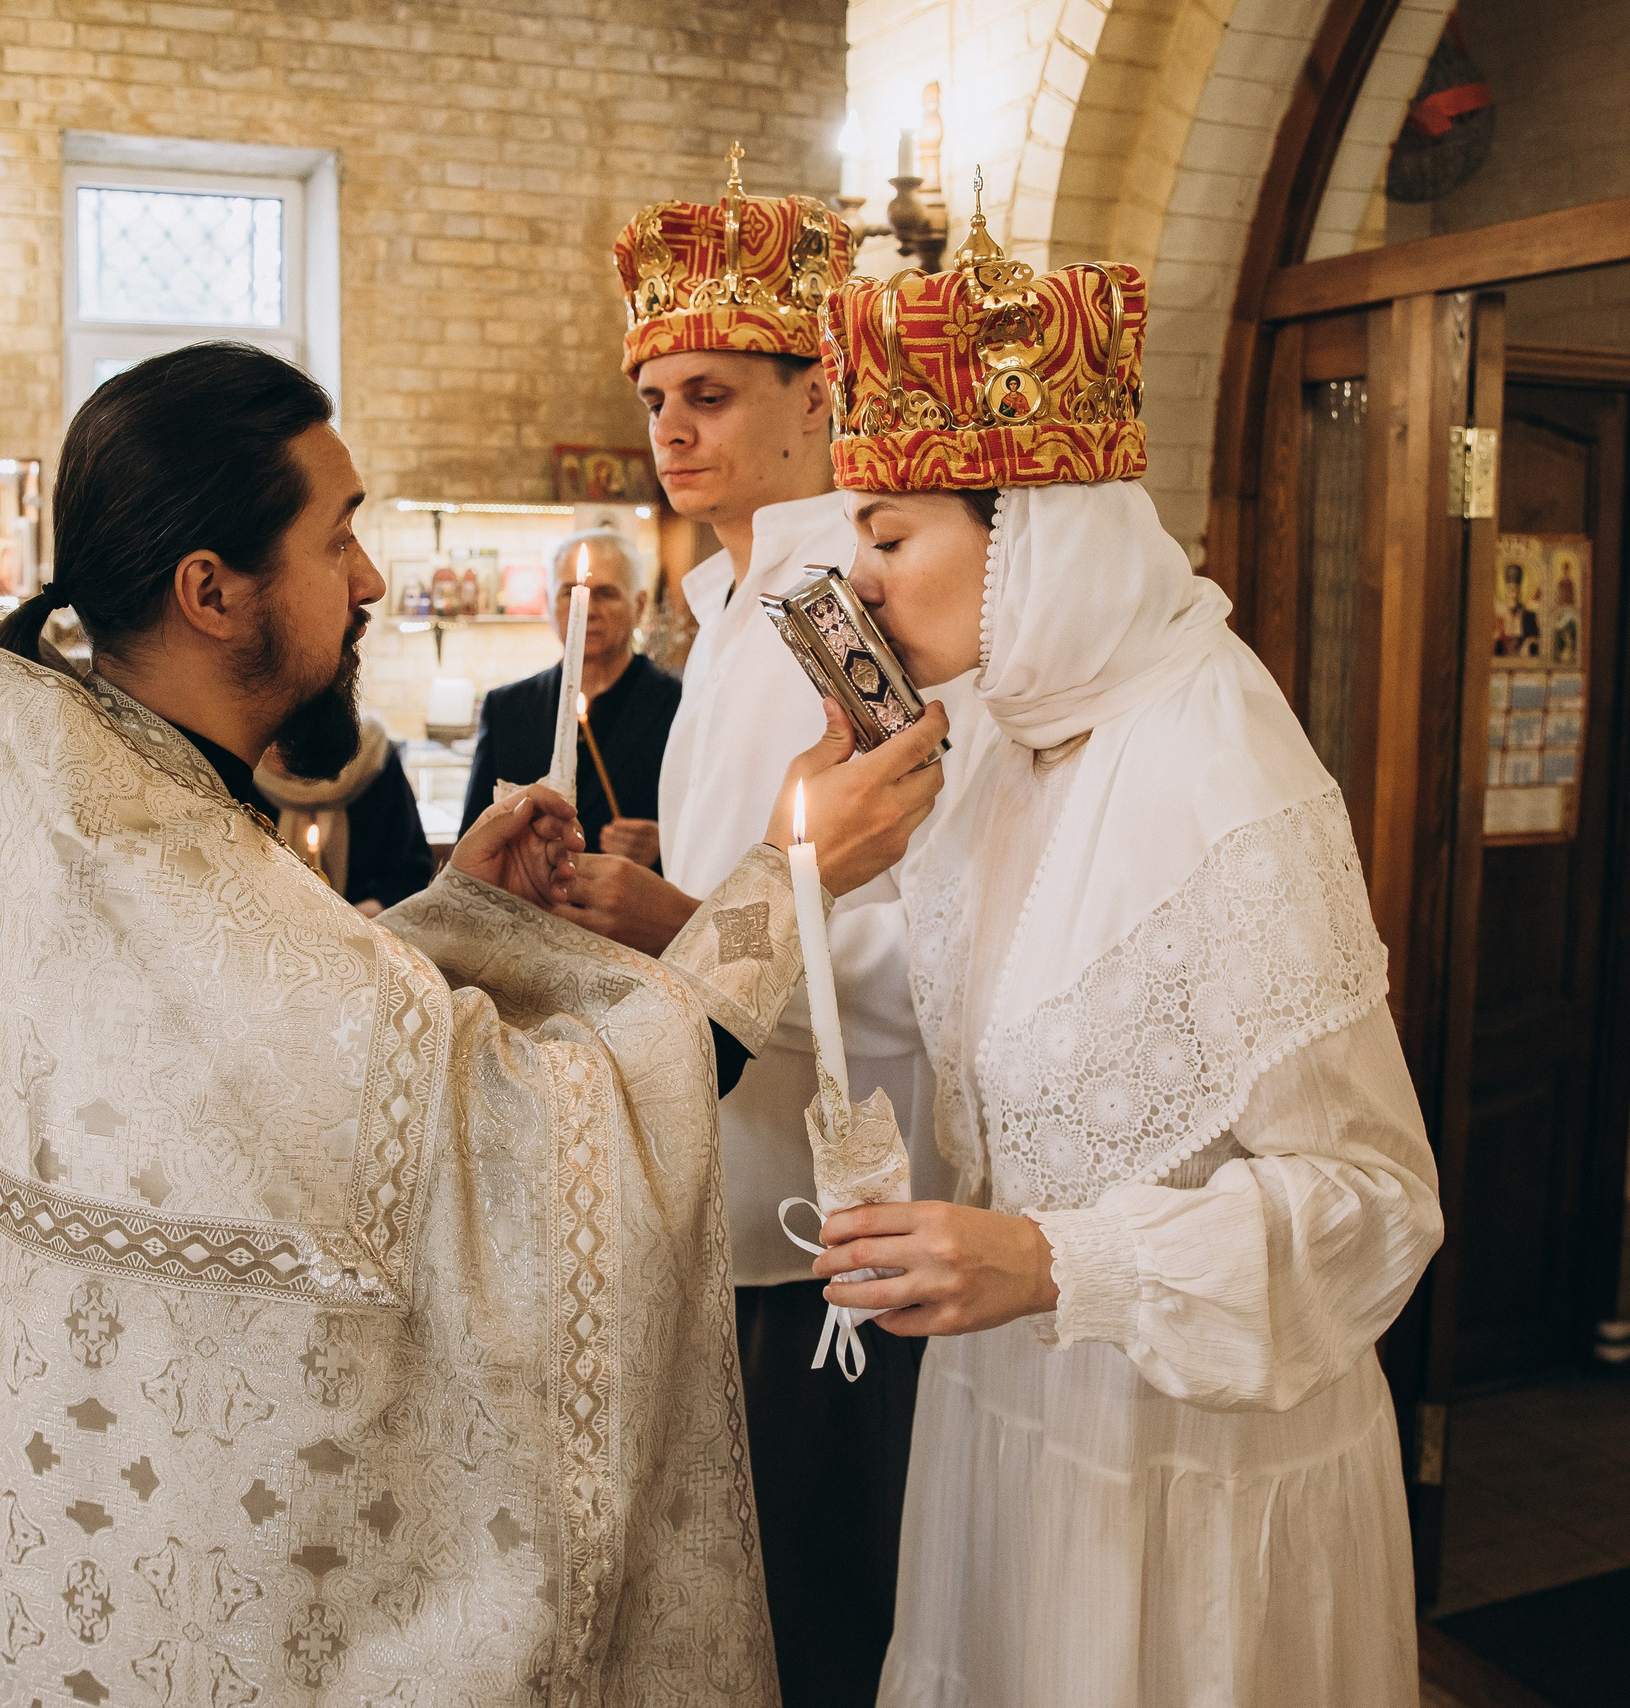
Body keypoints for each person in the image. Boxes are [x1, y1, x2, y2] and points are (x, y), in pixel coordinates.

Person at [0, 341, 947, 1706]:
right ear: (211, 590)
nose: (375, 581)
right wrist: (789, 880)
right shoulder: (155, 853)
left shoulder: (96, 793)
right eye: (339, 537)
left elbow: (281, 1045)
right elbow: (530, 1159)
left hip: (63, 1548)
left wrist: (456, 915)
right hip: (199, 1607)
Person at [808, 214, 1443, 1707]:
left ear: (1028, 526)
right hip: (1017, 1419)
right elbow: (1002, 1013)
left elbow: (1373, 1207)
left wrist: (1052, 1258)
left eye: (891, 538)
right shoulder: (1011, 742)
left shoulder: (1219, 764)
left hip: (1191, 1469)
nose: (862, 586)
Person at [551, 156, 951, 1708]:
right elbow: (772, 855)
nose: (671, 431)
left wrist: (682, 917)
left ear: (819, 389)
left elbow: (927, 934)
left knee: (824, 1613)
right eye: (656, 396)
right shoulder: (720, 607)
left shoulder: (851, 604)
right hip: (725, 1183)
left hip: (826, 1208)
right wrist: (673, 868)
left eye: (709, 391)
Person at [457, 529, 680, 864]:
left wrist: (667, 846)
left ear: (639, 606)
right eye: (571, 593)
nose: (587, 610)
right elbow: (472, 838)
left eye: (606, 594)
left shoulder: (679, 705)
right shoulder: (507, 709)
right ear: (548, 605)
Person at [251, 711, 437, 914]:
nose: (272, 748)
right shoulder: (248, 763)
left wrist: (347, 920)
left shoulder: (373, 757)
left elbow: (411, 876)